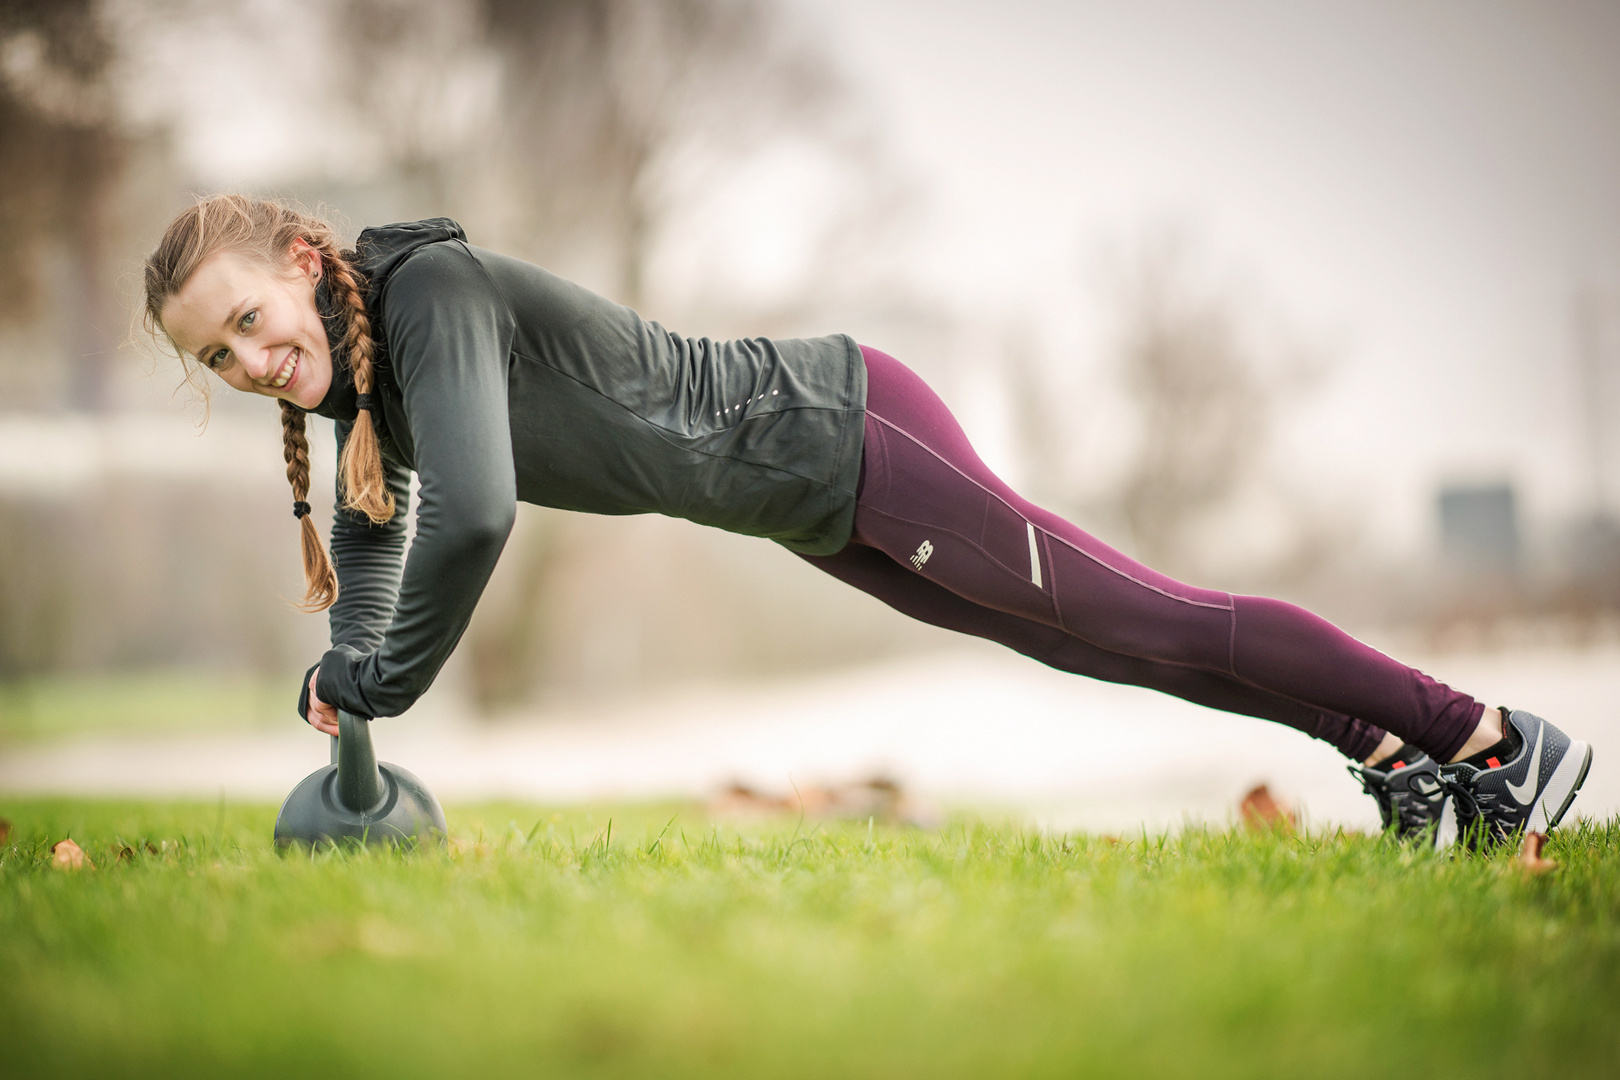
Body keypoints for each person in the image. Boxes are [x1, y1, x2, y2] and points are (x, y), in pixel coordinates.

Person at [144, 194, 1589, 848]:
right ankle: (1396, 757)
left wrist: (383, 676)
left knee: (1152, 618)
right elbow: (390, 534)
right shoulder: (366, 384)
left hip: (844, 433)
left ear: (301, 257)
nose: (251, 361)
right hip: (818, 500)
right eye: (218, 360)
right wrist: (349, 676)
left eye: (249, 322)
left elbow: (475, 514)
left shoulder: (427, 298)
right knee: (1108, 653)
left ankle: (1492, 739)